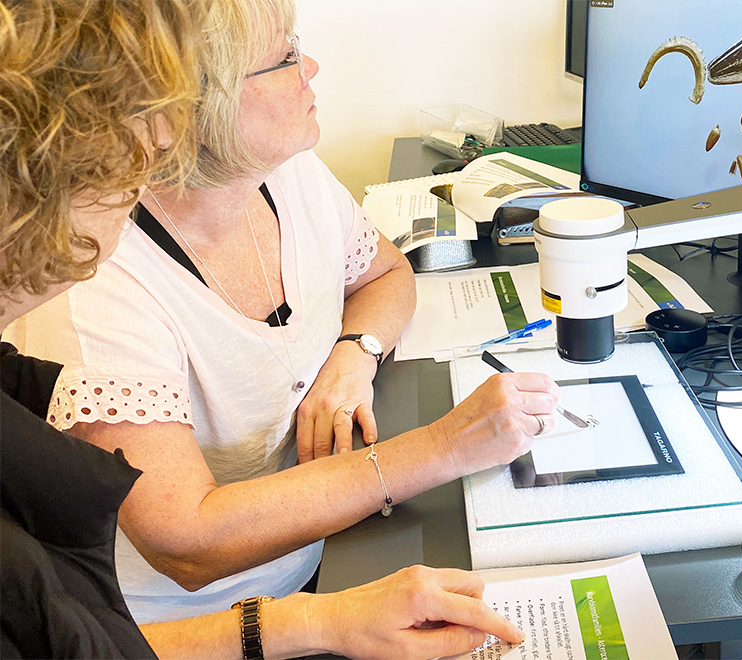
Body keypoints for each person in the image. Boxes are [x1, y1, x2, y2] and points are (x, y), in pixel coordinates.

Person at [1, 1, 533, 657]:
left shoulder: (289, 174)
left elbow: (385, 274)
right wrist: (445, 447)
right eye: (283, 58)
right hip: (187, 626)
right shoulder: (99, 281)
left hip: (323, 565)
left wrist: (353, 354)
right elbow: (187, 545)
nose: (310, 66)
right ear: (189, 110)